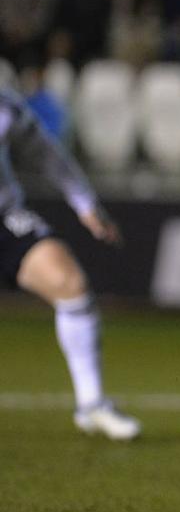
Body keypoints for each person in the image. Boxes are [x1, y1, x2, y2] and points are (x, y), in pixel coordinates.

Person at [0, 83, 139, 441]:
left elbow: (45, 154)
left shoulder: (5, 107)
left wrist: (84, 203)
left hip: (4, 220)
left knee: (69, 284)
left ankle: (92, 404)